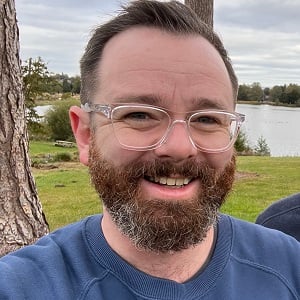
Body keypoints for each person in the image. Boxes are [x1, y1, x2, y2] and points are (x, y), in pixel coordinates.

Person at [1, 1, 300, 299]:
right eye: (140, 115)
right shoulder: (20, 287)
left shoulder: (289, 268)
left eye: (208, 119)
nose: (179, 148)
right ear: (86, 134)